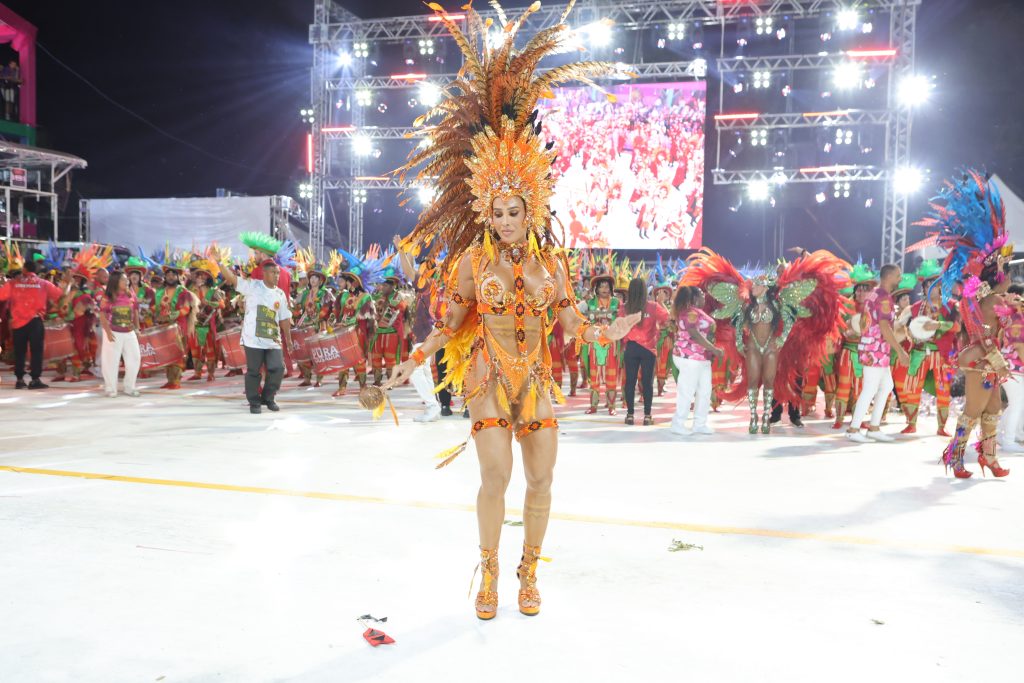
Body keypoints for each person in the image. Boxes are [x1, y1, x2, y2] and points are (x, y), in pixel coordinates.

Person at [384, 1, 640, 620]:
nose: (504, 220)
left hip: (538, 379)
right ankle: (491, 572)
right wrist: (412, 359)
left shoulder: (554, 267)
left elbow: (573, 325)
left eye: (514, 211)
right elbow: (450, 324)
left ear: (531, 211)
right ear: (486, 211)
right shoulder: (472, 263)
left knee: (542, 481)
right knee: (495, 474)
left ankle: (529, 572)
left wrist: (607, 330)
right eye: (496, 212)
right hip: (487, 375)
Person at [683, 248, 849, 435]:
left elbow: (797, 307)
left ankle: (794, 415)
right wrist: (740, 341)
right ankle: (770, 415)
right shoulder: (761, 298)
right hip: (762, 344)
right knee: (766, 380)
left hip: (790, 345)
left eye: (783, 271)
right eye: (779, 272)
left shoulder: (787, 295)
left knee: (794, 379)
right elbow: (741, 320)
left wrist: (785, 337)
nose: (781, 274)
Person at [916, 170, 1012, 477]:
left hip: (986, 360)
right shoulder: (989, 299)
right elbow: (982, 333)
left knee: (993, 410)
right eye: (1005, 268)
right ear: (996, 273)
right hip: (982, 360)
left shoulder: (990, 297)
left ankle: (989, 458)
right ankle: (955, 458)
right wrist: (998, 360)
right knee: (973, 411)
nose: (1009, 274)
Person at [219, 260, 294, 414]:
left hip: (273, 339)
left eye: (278, 273)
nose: (277, 276)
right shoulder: (253, 286)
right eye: (273, 273)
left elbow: (284, 318)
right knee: (254, 371)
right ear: (264, 273)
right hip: (252, 339)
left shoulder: (280, 294)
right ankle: (254, 401)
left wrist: (288, 339)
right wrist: (219, 261)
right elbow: (232, 278)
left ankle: (268, 397)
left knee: (278, 368)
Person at [846, 264, 909, 443]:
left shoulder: (873, 294)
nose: (900, 278)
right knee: (870, 389)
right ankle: (853, 429)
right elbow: (884, 327)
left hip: (874, 349)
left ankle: (874, 428)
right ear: (888, 277)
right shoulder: (883, 298)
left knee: (887, 385)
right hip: (876, 351)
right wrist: (900, 351)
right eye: (898, 275)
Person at [0, 258, 68, 388]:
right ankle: (35, 379)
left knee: (19, 351)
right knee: (36, 351)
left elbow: (1, 296)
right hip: (35, 322)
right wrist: (67, 283)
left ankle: (20, 380)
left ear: (24, 269)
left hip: (18, 322)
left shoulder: (13, 283)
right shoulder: (44, 283)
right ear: (36, 271)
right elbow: (59, 294)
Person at [670, 286, 722, 436]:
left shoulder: (697, 311)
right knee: (687, 391)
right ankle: (678, 423)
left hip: (702, 357)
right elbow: (694, 334)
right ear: (694, 298)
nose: (704, 296)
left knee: (705, 391)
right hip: (689, 356)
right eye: (701, 294)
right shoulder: (690, 313)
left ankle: (700, 424)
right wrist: (714, 349)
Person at [621, 277, 669, 425]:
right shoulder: (653, 307)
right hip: (648, 349)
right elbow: (668, 319)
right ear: (644, 290)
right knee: (647, 383)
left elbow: (619, 328)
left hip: (631, 348)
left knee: (630, 381)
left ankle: (630, 415)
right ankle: (647, 416)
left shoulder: (624, 308)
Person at [98, 271, 141, 398]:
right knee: (111, 361)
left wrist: (137, 328)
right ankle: (111, 388)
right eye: (123, 279)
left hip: (129, 331)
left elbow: (135, 311)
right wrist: (108, 332)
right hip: (113, 332)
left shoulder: (130, 293)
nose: (127, 281)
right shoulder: (108, 296)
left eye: (127, 279)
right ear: (116, 281)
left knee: (135, 358)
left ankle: (129, 387)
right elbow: (102, 314)